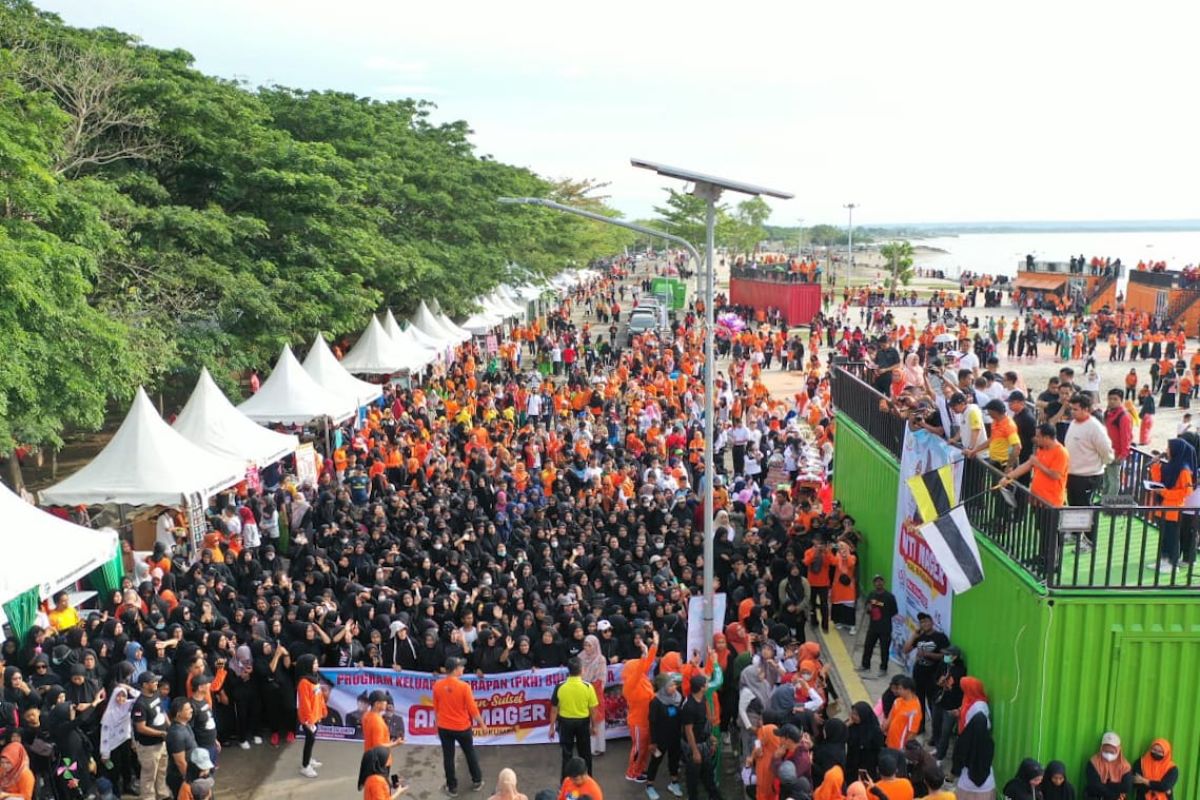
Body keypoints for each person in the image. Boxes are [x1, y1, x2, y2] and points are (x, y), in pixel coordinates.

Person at [1064, 394, 1113, 551]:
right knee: (1073, 505)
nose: (1072, 412)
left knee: (1085, 508)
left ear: (1086, 409)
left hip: (1088, 476)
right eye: (1071, 409)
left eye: (1076, 409)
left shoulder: (1095, 428)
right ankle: (1074, 533)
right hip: (1072, 473)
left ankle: (1090, 541)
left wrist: (1099, 466)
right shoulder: (1074, 423)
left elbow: (1106, 451)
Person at [433, 657, 484, 796]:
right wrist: (482, 724)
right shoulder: (464, 687)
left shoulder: (437, 685)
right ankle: (477, 780)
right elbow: (472, 709)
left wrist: (436, 726)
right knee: (470, 753)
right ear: (455, 670)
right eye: (461, 666)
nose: (463, 668)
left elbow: (436, 709)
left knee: (448, 757)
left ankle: (452, 787)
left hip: (444, 727)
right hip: (462, 728)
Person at [548, 657, 599, 779]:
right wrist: (594, 726)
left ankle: (565, 782)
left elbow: (554, 709)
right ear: (582, 670)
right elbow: (593, 710)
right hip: (582, 723)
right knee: (585, 753)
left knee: (567, 754)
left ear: (568, 671)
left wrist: (551, 727)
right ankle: (588, 779)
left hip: (565, 723)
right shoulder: (588, 687)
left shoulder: (560, 687)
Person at [1149, 439, 1195, 572]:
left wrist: (1165, 493)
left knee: (1172, 537)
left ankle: (1172, 563)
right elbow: (1159, 481)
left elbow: (1187, 492)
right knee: (1164, 536)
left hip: (1174, 509)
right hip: (1163, 507)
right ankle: (1163, 560)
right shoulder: (1170, 465)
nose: (1166, 450)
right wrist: (1155, 466)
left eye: (1168, 448)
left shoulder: (1184, 470)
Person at [901, 614, 947, 734]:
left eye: (926, 621)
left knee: (932, 704)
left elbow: (945, 656)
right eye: (921, 622)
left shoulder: (940, 637)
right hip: (919, 674)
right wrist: (913, 636)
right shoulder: (919, 637)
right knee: (919, 702)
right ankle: (920, 728)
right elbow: (906, 650)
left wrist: (928, 655)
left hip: (933, 675)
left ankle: (935, 733)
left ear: (932, 622)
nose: (924, 624)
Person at [951, 678, 995, 800]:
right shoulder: (989, 744)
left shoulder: (979, 706)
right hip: (986, 784)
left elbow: (959, 758)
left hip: (966, 783)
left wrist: (955, 772)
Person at [642, 672, 684, 797]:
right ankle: (649, 785)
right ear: (662, 688)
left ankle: (674, 783)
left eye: (674, 685)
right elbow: (653, 723)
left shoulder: (678, 698)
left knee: (674, 760)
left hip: (675, 736)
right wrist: (653, 742)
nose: (674, 688)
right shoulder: (656, 702)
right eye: (670, 686)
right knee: (656, 761)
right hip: (660, 739)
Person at [681, 674, 723, 800]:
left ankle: (714, 796)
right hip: (694, 746)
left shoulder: (702, 698)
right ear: (701, 688)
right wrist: (695, 752)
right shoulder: (689, 707)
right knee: (693, 776)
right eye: (706, 684)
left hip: (703, 743)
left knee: (708, 772)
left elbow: (705, 720)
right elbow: (688, 731)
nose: (707, 685)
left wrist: (710, 737)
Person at [296, 653, 328, 778]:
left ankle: (309, 759)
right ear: (307, 665)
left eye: (316, 663)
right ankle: (305, 766)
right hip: (308, 718)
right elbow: (305, 703)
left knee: (312, 739)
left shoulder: (315, 678)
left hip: (316, 715)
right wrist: (309, 720)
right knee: (310, 740)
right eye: (314, 663)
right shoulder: (304, 682)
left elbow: (319, 696)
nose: (317, 665)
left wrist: (323, 709)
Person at [858, 576, 898, 677]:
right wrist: (868, 608)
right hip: (873, 627)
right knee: (868, 646)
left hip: (885, 628)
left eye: (880, 581)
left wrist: (885, 617)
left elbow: (894, 611)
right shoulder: (871, 594)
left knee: (884, 649)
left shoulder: (889, 597)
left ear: (883, 583)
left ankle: (883, 668)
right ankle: (865, 665)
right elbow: (867, 608)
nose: (878, 583)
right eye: (876, 582)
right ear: (874, 584)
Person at [579, 635, 608, 757]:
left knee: (597, 718)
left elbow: (601, 677)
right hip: (582, 690)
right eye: (585, 645)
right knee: (586, 719)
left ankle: (599, 747)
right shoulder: (580, 657)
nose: (587, 648)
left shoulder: (600, 659)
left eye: (589, 645)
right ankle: (588, 748)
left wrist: (590, 685)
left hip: (596, 692)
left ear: (595, 646)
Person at [165, 697, 197, 800]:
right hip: (180, 777)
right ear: (179, 713)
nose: (191, 710)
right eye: (187, 709)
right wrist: (190, 780)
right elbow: (180, 762)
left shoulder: (185, 725)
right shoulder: (176, 734)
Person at [1085, 732, 1133, 800]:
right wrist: (1113, 794)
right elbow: (1094, 784)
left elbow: (1126, 787)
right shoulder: (1094, 762)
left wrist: (1107, 785)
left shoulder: (1125, 766)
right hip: (1097, 796)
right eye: (1106, 751)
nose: (1108, 754)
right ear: (1101, 748)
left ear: (1118, 750)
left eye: (1112, 752)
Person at [846, 701, 885, 781]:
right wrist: (846, 726)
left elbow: (878, 748)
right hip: (851, 763)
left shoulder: (875, 731)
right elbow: (839, 736)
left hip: (867, 766)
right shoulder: (851, 725)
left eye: (856, 714)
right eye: (852, 713)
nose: (853, 716)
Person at [883, 676, 921, 751]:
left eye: (900, 689)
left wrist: (905, 748)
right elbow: (890, 717)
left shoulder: (914, 710)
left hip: (900, 746)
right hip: (890, 741)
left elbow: (912, 732)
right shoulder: (897, 701)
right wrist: (885, 728)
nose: (898, 691)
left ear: (908, 690)